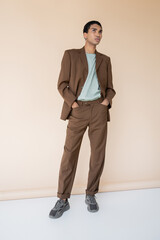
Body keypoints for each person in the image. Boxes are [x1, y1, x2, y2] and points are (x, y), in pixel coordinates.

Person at [49, 20, 116, 219]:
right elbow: (62, 84)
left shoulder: (105, 59)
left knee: (98, 154)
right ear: (85, 34)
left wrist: (105, 102)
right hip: (78, 110)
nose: (98, 34)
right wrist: (74, 104)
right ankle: (63, 199)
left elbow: (111, 87)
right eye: (94, 30)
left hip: (98, 109)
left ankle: (91, 194)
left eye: (101, 31)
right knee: (69, 153)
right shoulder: (71, 55)